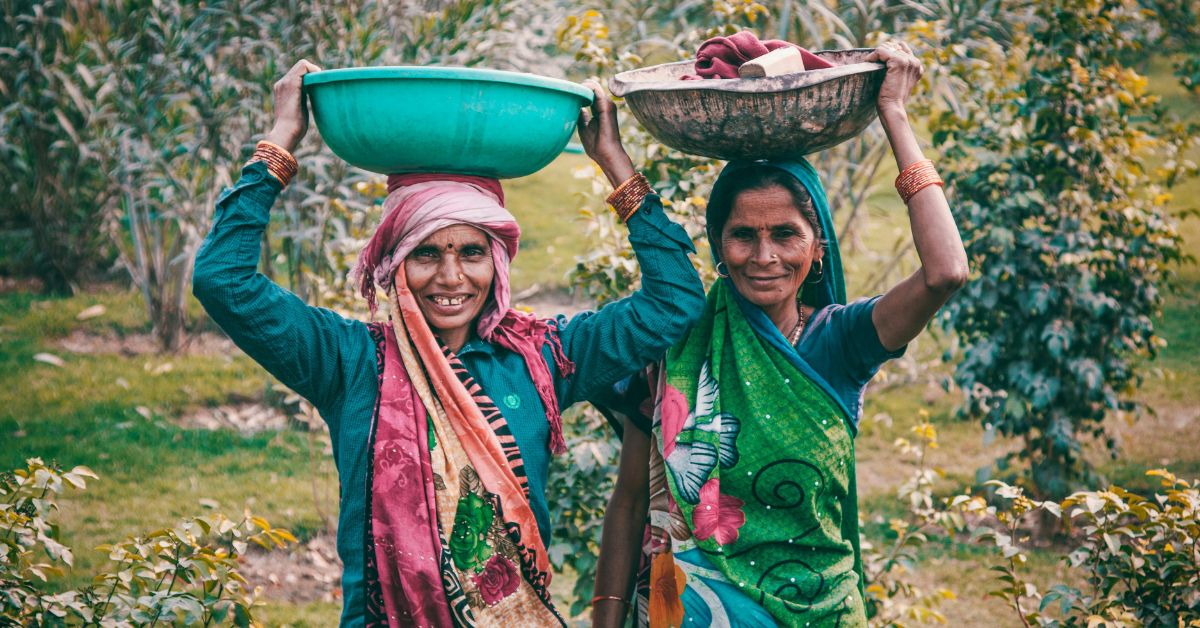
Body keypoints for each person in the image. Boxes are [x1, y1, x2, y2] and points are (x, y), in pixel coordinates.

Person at [192, 59, 705, 626]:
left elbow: (674, 303)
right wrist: (280, 143)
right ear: (394, 262)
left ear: (498, 260)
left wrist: (615, 162)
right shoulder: (350, 361)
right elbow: (224, 281)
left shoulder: (542, 358)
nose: (451, 277)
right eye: (427, 253)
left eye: (471, 252)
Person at [591, 40, 969, 627]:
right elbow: (631, 498)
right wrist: (606, 616)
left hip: (817, 611)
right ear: (719, 246)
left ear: (818, 248)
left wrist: (894, 113)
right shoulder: (681, 339)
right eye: (743, 235)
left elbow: (946, 272)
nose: (763, 256)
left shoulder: (841, 341)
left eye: (785, 235)